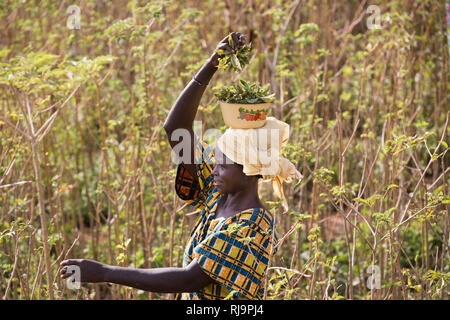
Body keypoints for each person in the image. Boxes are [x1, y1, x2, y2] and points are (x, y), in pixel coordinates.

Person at [60, 32, 301, 300]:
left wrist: (105, 272)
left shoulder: (254, 225)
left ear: (250, 171)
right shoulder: (218, 193)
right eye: (216, 160)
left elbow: (190, 278)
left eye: (223, 165)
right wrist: (212, 65)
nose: (215, 168)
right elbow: (176, 130)